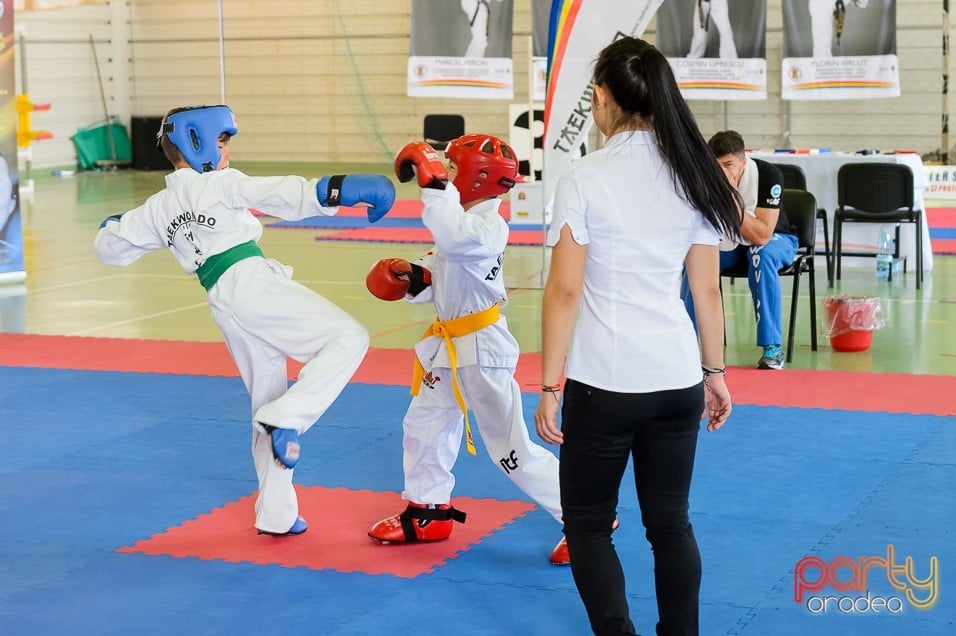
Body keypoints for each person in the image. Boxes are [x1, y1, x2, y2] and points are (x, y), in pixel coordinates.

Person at [93, 105, 396, 536]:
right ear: (196, 142)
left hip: (223, 302)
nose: (229, 152)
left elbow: (110, 249)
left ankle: (275, 511)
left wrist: (112, 224)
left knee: (266, 396)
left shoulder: (158, 208)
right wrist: (342, 189)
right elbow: (285, 193)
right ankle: (289, 417)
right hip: (253, 285)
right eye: (222, 143)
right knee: (349, 338)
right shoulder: (222, 183)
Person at [533, 37, 737, 635]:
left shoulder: (584, 177)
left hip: (605, 386)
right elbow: (706, 291)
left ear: (601, 98)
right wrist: (715, 374)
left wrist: (550, 384)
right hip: (677, 382)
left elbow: (563, 292)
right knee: (670, 524)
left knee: (589, 524)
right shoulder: (695, 175)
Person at [364, 134, 569, 565]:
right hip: (448, 344)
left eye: (455, 169)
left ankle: (586, 517)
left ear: (479, 179)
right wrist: (409, 278)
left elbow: (456, 242)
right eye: (447, 169)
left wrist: (433, 183)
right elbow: (444, 269)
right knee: (425, 425)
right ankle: (427, 509)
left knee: (510, 450)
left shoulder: (487, 226)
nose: (449, 176)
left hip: (481, 349)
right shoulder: (460, 219)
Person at [681, 130, 798, 370]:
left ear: (743, 162)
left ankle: (772, 347)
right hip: (731, 243)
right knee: (696, 259)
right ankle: (685, 342)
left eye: (728, 165)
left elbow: (763, 234)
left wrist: (731, 199)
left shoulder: (768, 175)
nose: (721, 172)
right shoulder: (704, 178)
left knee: (760, 254)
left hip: (777, 240)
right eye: (715, 166)